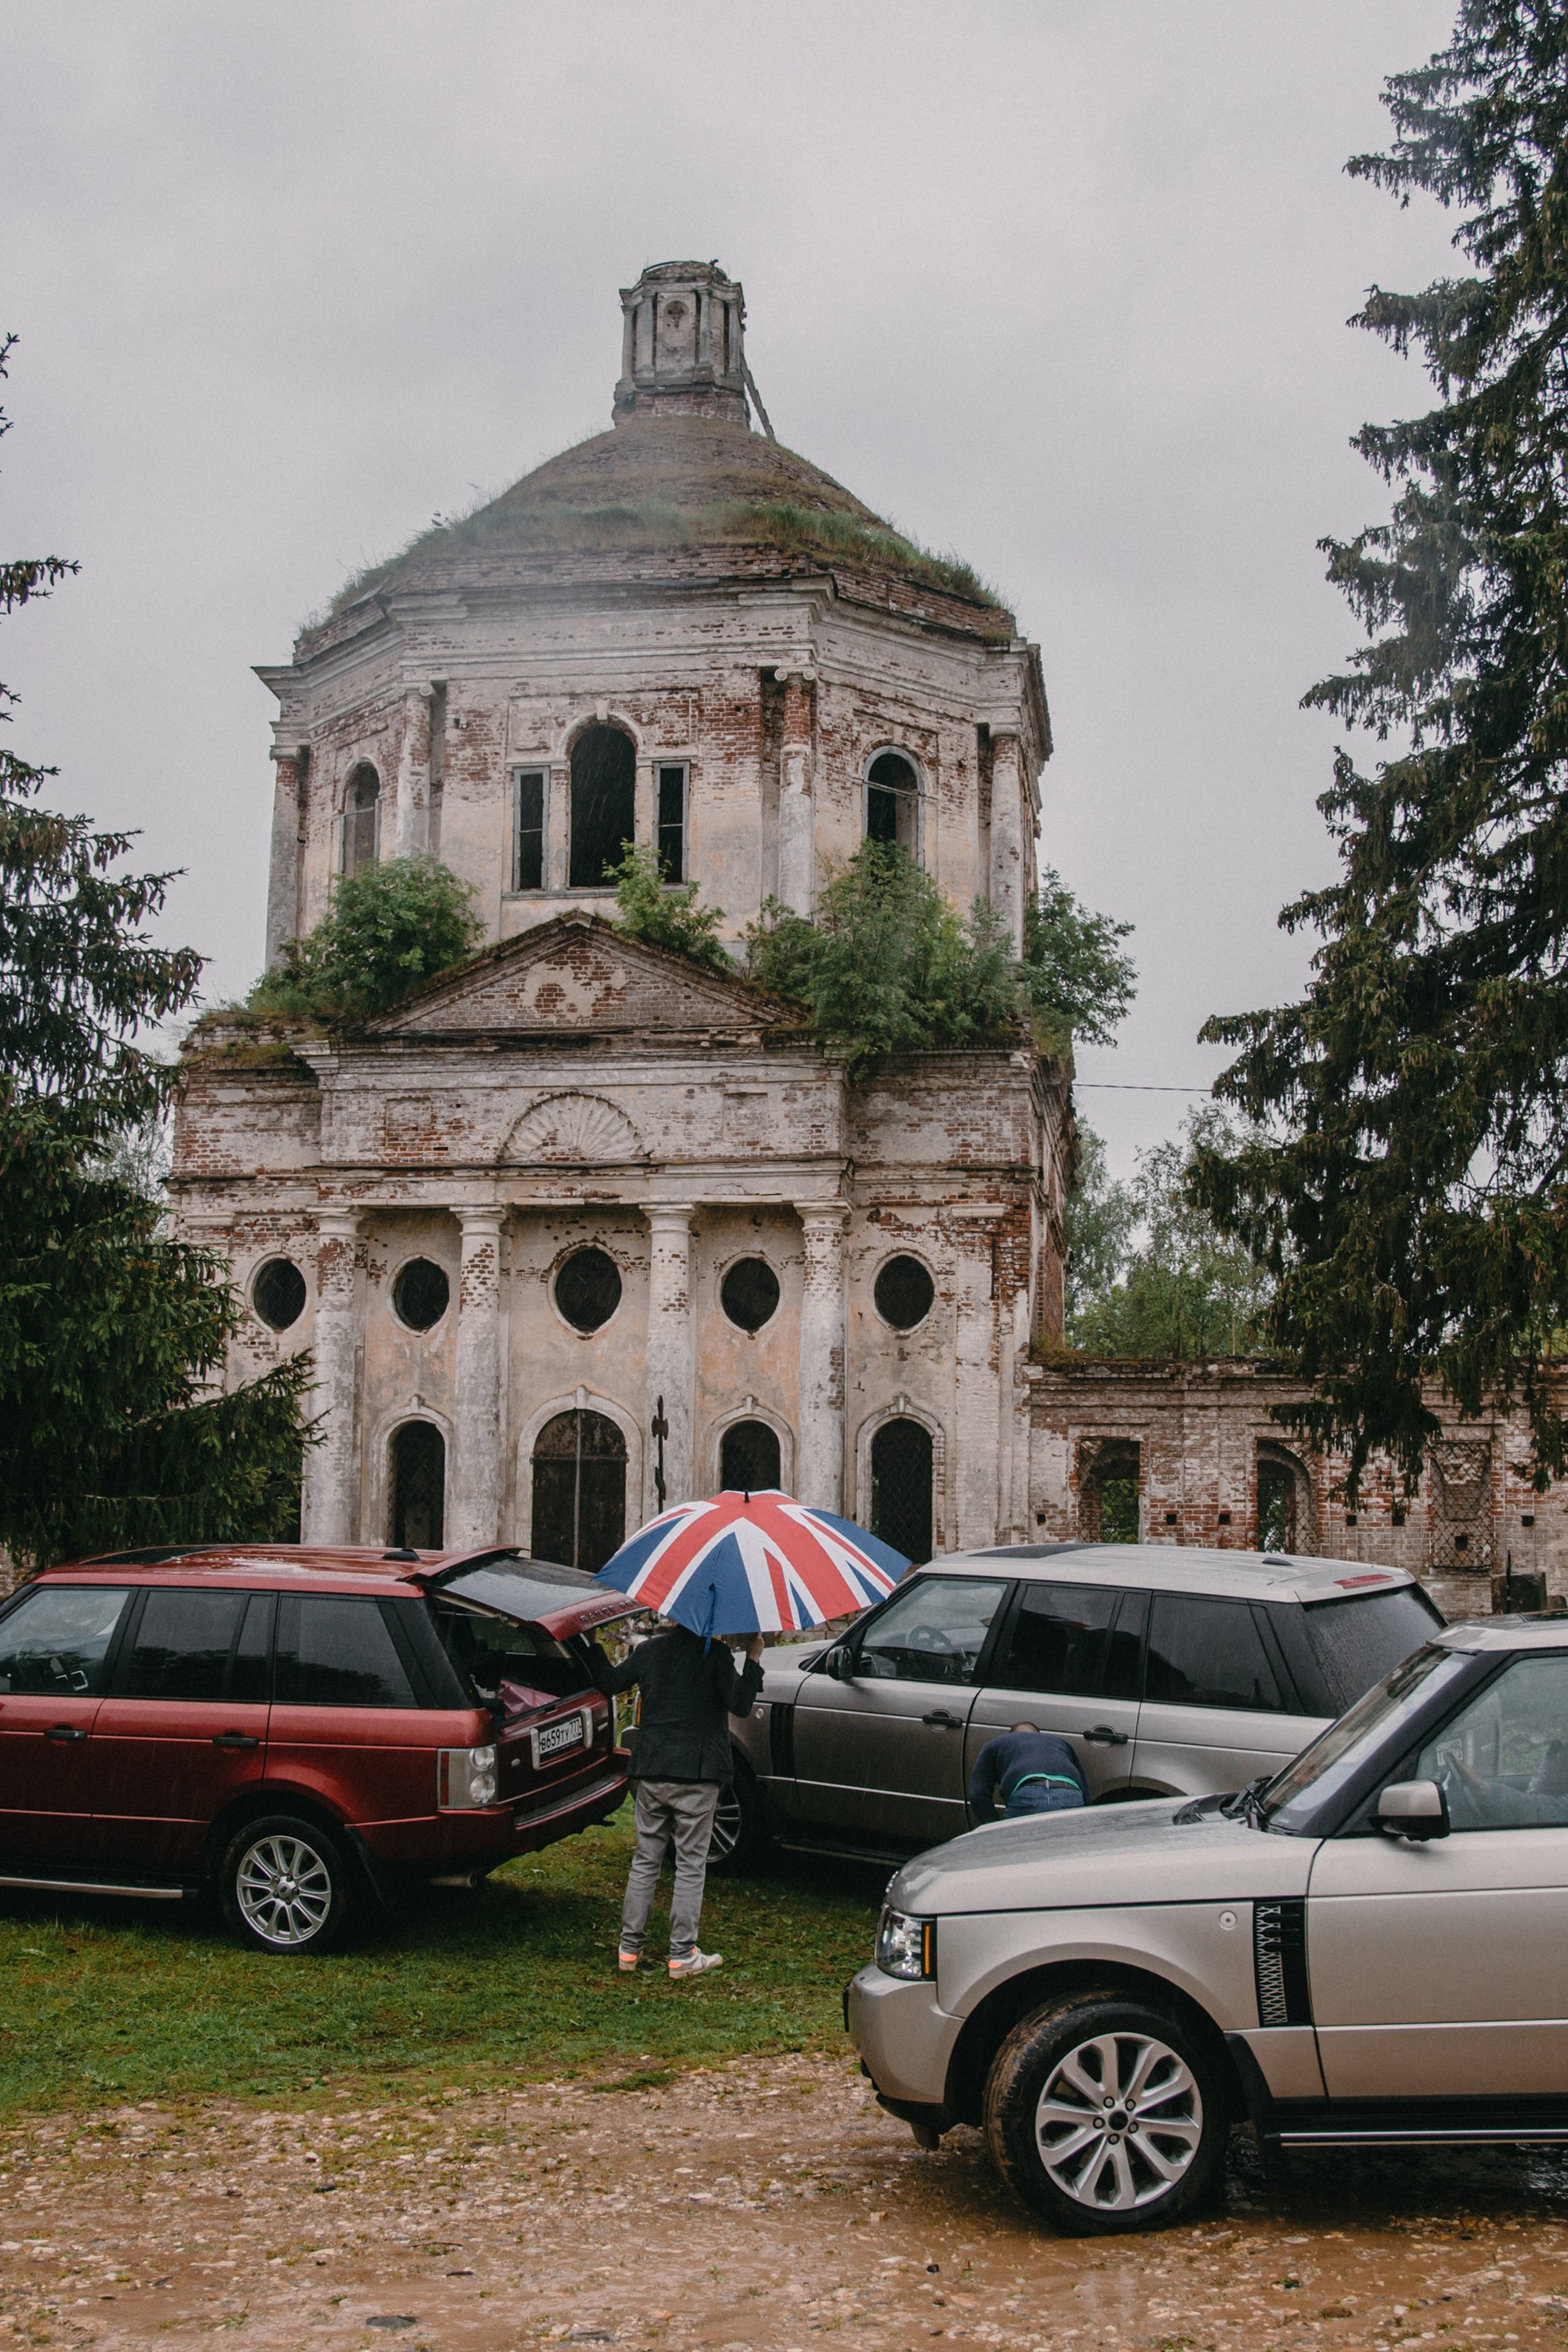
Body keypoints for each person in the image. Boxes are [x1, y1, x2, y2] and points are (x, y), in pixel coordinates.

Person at [588, 1621, 765, 1978]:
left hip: (652, 1770)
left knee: (645, 1861)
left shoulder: (649, 1651)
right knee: (690, 1865)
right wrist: (753, 1657)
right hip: (699, 1776)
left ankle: (628, 1950)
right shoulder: (716, 1655)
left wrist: (592, 1644)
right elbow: (741, 1704)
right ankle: (682, 1954)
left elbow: (609, 1681)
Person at [968, 1721, 1088, 1822]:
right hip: (1069, 1794)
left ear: (1011, 1735)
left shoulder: (998, 1743)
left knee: (1023, 1843)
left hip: (1028, 1794)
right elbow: (1086, 1792)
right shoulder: (1060, 1742)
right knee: (1064, 1843)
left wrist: (993, 1827)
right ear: (1038, 1735)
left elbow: (977, 1793)